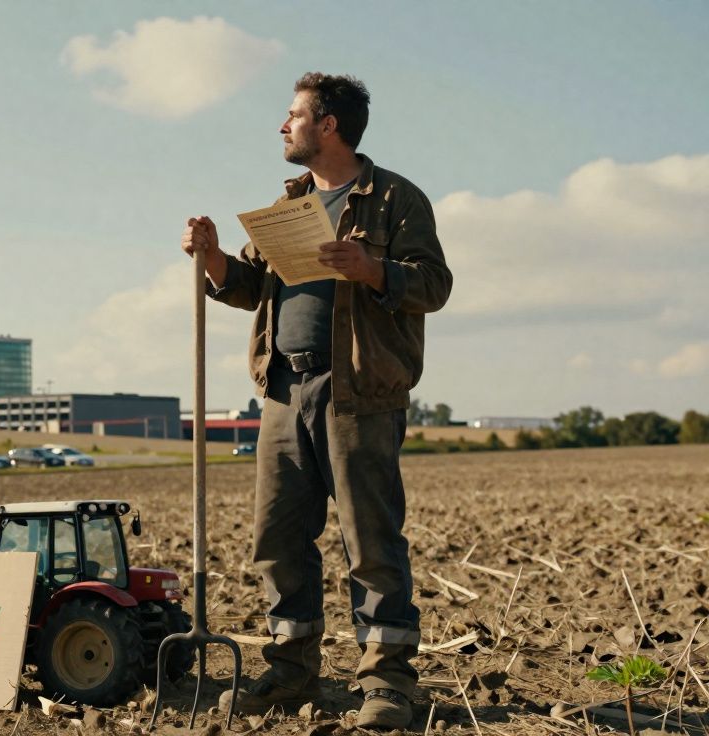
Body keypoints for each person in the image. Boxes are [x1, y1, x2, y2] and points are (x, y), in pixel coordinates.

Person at [181, 73, 452, 730]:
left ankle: (387, 682)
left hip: (359, 391)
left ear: (327, 125)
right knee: (277, 538)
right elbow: (248, 286)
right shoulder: (292, 204)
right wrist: (215, 258)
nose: (283, 126)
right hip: (281, 391)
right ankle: (290, 670)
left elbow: (435, 284)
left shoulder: (394, 199)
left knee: (371, 540)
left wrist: (372, 269)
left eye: (293, 115)